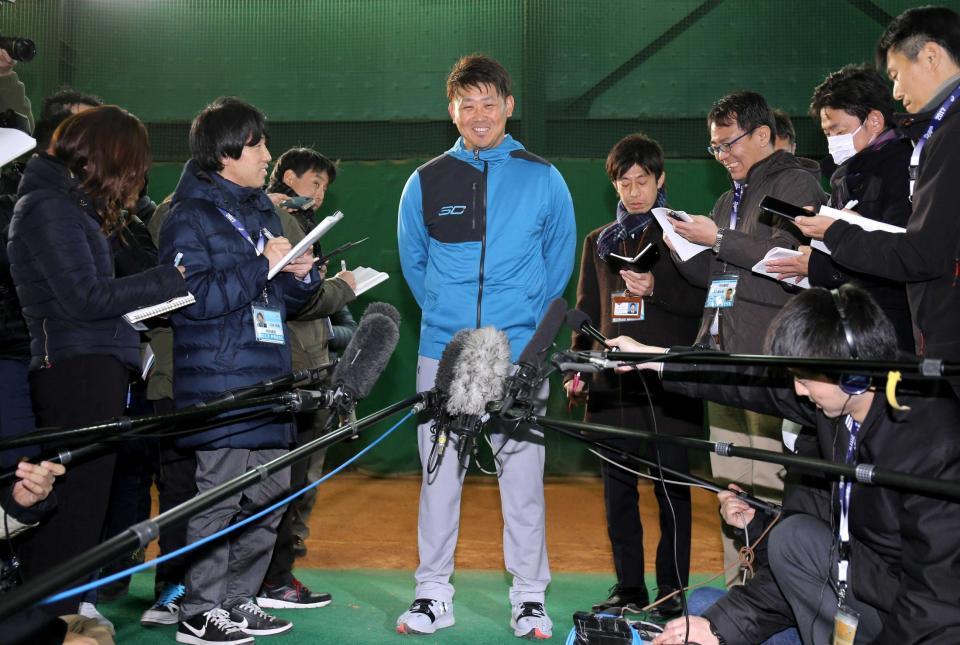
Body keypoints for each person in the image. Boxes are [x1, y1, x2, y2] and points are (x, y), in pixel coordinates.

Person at [612, 284, 960, 644]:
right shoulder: (837, 403)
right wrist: (653, 358)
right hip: (860, 594)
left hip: (923, 619)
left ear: (853, 373)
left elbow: (936, 598)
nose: (797, 391)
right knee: (751, 571)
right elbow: (742, 381)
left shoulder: (932, 439)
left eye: (804, 379)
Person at [396, 54, 575, 639]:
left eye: (488, 103)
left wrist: (523, 335)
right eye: (466, 104)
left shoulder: (543, 177)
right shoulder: (424, 181)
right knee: (438, 475)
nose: (478, 115)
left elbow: (558, 267)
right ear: (451, 109)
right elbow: (416, 266)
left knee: (522, 477)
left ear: (508, 106)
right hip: (444, 353)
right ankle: (432, 594)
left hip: (518, 353)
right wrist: (451, 324)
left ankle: (528, 597)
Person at [6, 106, 189, 621]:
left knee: (83, 512)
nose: (133, 181)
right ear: (106, 157)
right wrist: (170, 280)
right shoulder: (48, 206)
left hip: (91, 365)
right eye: (130, 167)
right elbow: (85, 298)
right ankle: (44, 622)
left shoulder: (66, 204)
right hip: (76, 370)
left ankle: (56, 619)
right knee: (74, 514)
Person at [159, 97, 321, 644]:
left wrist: (299, 274)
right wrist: (262, 266)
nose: (267, 155)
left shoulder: (259, 211)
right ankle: (199, 611)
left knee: (272, 495)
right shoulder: (188, 215)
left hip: (268, 379)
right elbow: (190, 297)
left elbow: (284, 300)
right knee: (219, 499)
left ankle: (238, 600)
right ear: (225, 152)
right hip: (220, 381)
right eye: (258, 145)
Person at [665, 91, 827, 585]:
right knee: (732, 481)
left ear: (762, 135)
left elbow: (783, 262)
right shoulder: (725, 198)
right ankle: (741, 587)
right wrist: (678, 243)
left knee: (774, 479)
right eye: (714, 148)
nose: (723, 155)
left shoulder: (795, 182)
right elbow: (721, 271)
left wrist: (716, 239)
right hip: (723, 352)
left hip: (768, 355)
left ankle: (779, 591)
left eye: (728, 144)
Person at [564, 134, 704, 618]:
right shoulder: (599, 241)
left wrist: (657, 288)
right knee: (617, 492)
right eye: (624, 183)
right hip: (611, 384)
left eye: (642, 181)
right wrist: (578, 367)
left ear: (660, 180)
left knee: (672, 491)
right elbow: (586, 310)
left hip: (669, 382)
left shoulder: (685, 234)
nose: (633, 191)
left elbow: (703, 306)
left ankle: (671, 590)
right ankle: (629, 588)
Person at [795, 6, 960, 375]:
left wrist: (838, 233)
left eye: (898, 75)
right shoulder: (938, 133)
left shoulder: (949, 135)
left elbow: (923, 253)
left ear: (931, 55)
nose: (897, 92)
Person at [256, 146, 357, 610]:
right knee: (280, 483)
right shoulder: (273, 215)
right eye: (315, 184)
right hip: (287, 372)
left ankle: (273, 576)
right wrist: (341, 288)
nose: (318, 195)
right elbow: (299, 299)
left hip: (306, 369)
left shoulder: (289, 219)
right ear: (290, 177)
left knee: (294, 481)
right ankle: (269, 581)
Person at [765, 64, 915, 353]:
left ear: (873, 120)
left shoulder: (902, 168)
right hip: (850, 322)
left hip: (888, 328)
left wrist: (818, 265)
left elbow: (901, 257)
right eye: (827, 132)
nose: (833, 140)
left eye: (839, 130)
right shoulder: (846, 176)